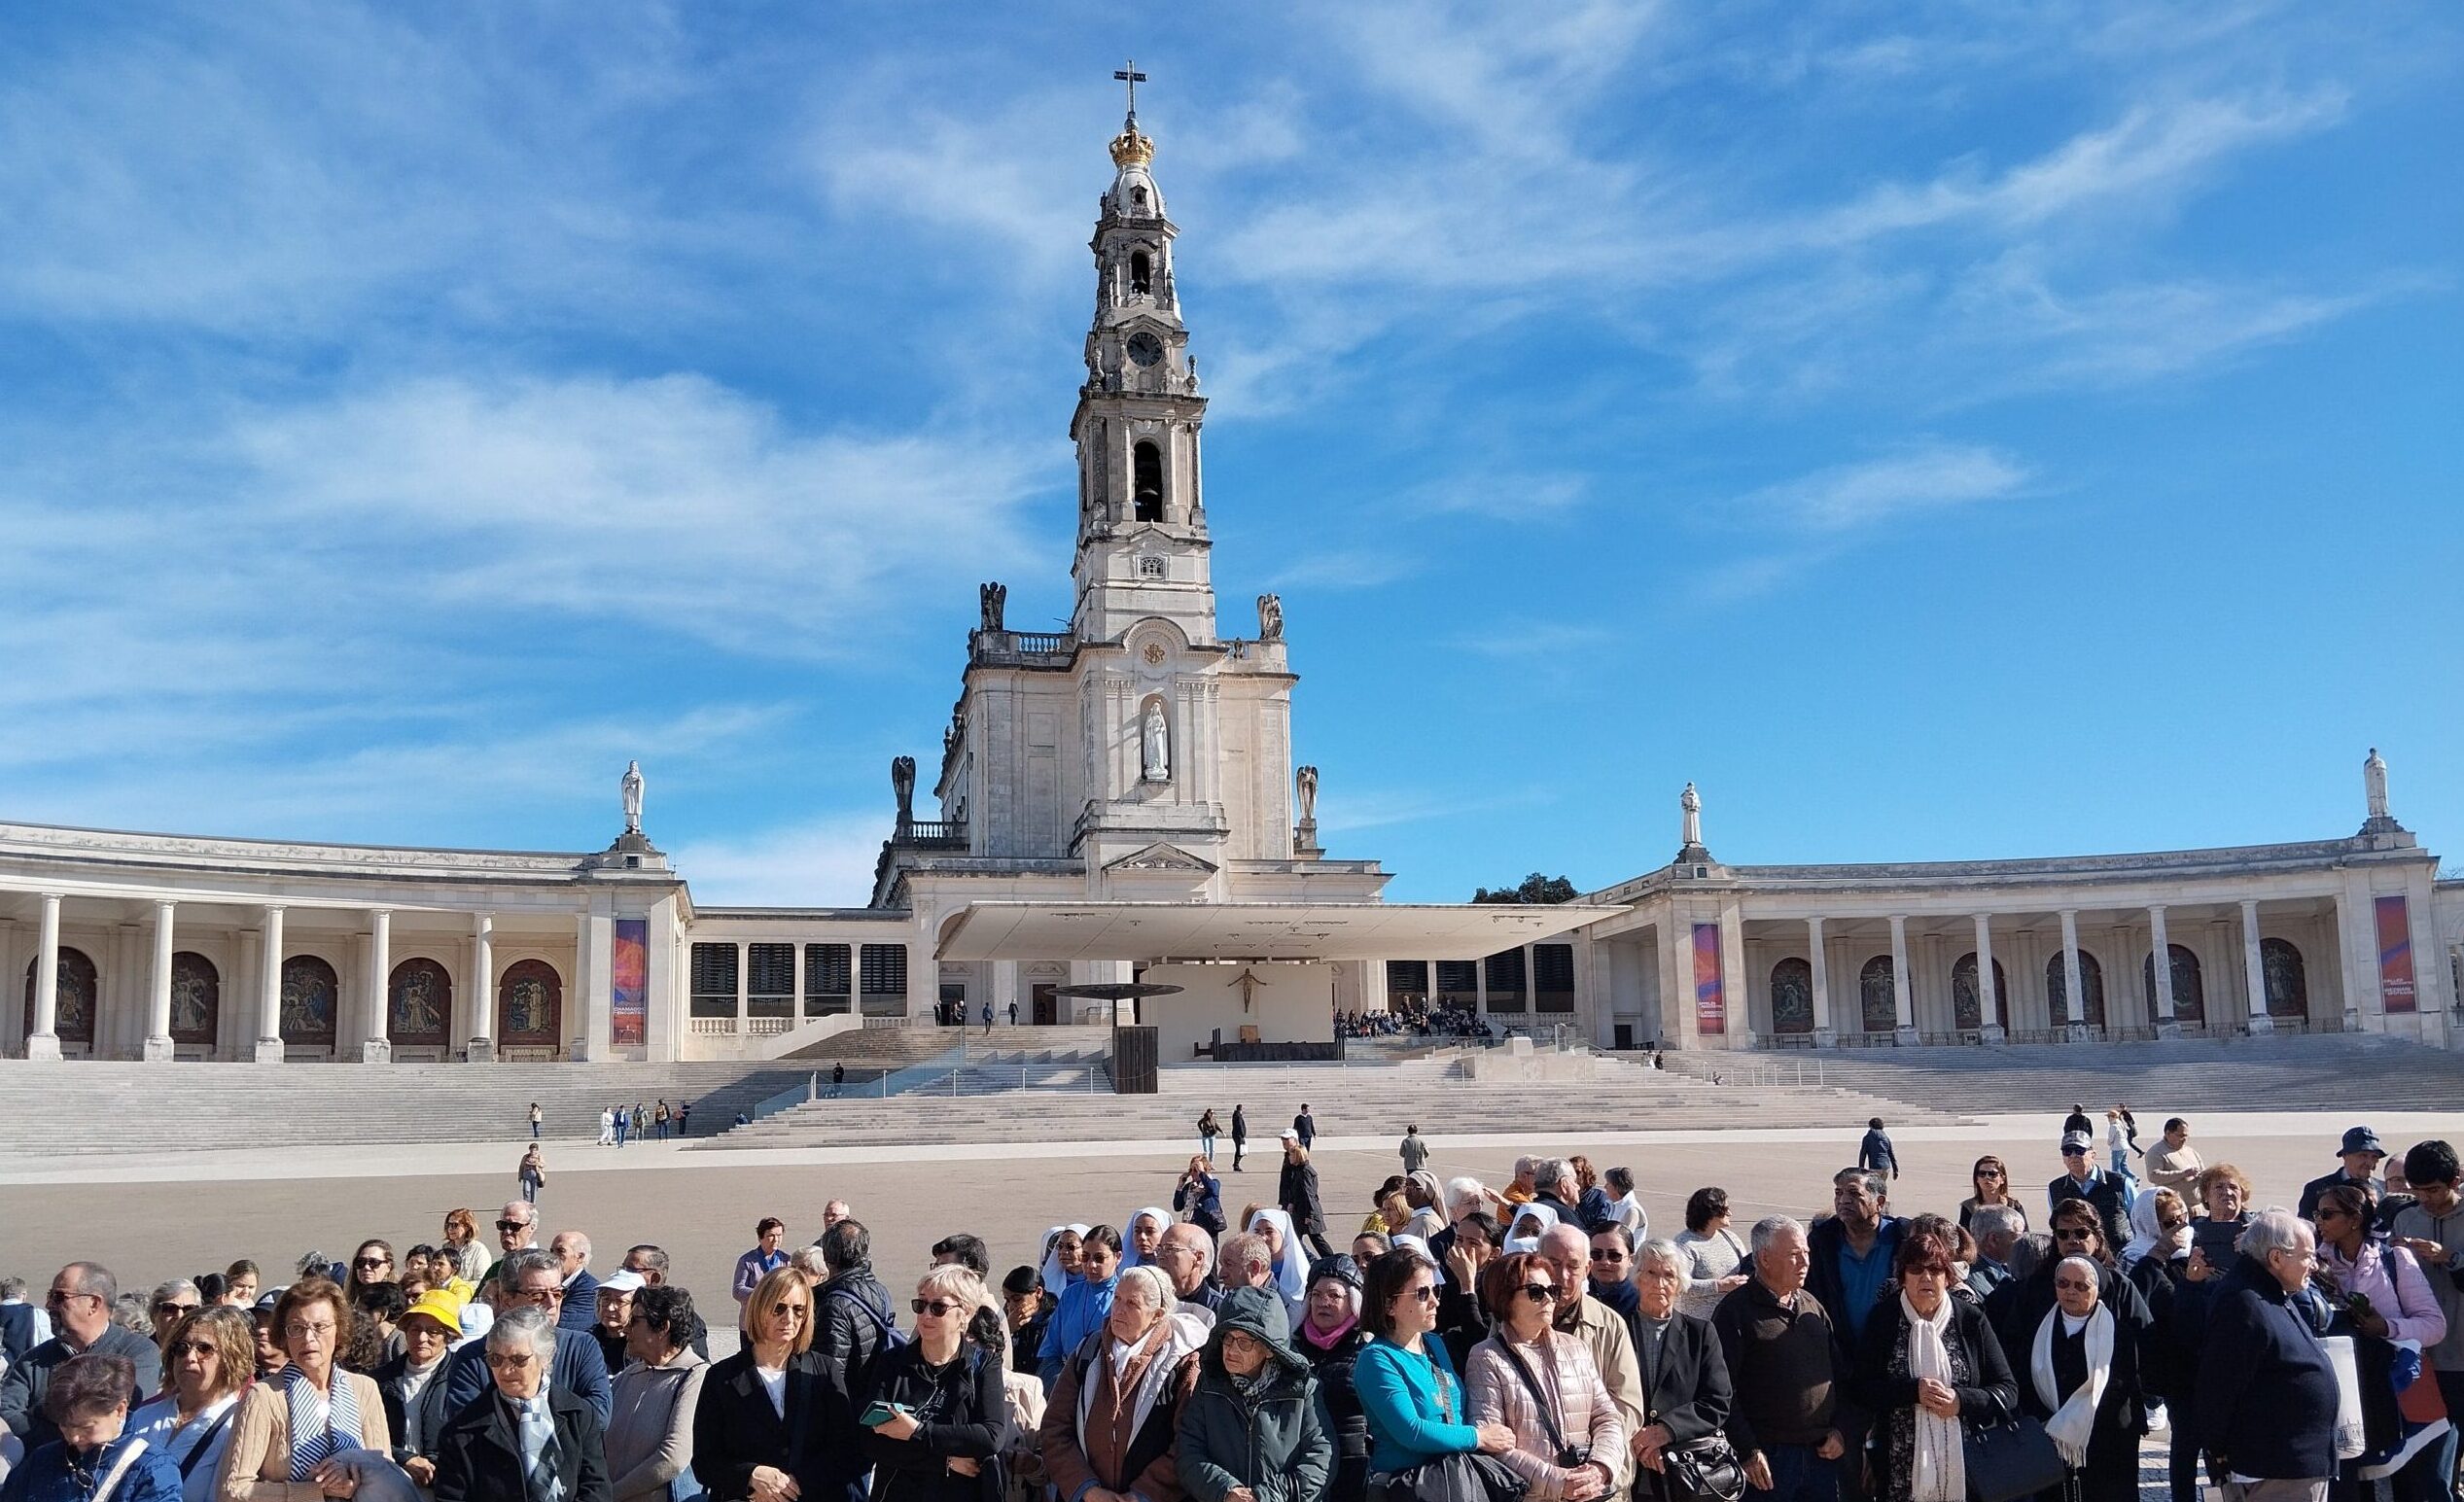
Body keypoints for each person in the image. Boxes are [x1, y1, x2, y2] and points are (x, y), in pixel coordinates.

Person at [1849, 1228, 2013, 1502]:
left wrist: (1960, 1400)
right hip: (1899, 1469)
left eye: (1935, 1269)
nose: (1926, 1277)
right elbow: (1861, 1388)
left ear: (1947, 1277)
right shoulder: (1884, 1320)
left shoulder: (1970, 1320)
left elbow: (2007, 1389)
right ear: (1902, 1277)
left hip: (1966, 1464)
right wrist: (1913, 1393)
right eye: (1915, 1269)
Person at [2314, 1181, 2450, 1502]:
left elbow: (2434, 1326)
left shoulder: (2394, 1260)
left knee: (2411, 1486)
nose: (2318, 1221)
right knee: (2353, 1486)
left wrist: (2385, 1327)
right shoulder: (2316, 1264)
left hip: (2396, 1392)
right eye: (2316, 1214)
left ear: (2354, 1219)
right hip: (2346, 1396)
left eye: (2327, 1214)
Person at [2198, 1210, 2339, 1502]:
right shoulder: (2244, 1302)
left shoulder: (2271, 1292)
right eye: (2307, 1256)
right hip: (2275, 1466)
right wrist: (2218, 1450)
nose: (2313, 1265)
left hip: (2291, 1464)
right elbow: (2221, 1385)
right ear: (2276, 1258)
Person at [1466, 1249, 1626, 1500]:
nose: (1549, 1300)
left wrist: (1601, 1467)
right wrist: (1557, 1481)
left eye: (1552, 1291)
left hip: (1587, 1494)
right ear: (1505, 1299)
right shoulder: (1485, 1356)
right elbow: (1492, 1442)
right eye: (1536, 1292)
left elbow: (1608, 1418)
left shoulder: (1576, 1348)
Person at [1037, 1265, 1205, 1502]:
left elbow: (1188, 1443)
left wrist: (1142, 1495)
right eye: (1117, 1298)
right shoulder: (1088, 1352)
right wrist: (1086, 1489)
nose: (1118, 1310)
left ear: (1157, 1315)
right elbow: (1055, 1427)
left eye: (1131, 1304)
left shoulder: (1182, 1363)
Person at [217, 1278, 391, 1502]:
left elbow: (385, 1471)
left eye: (320, 1327)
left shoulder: (365, 1389)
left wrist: (350, 1474)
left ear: (339, 1331)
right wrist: (315, 1491)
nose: (308, 1338)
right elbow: (232, 1490)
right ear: (284, 1336)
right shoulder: (264, 1396)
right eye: (297, 1328)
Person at [1711, 1217, 1848, 1502]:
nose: (1804, 1262)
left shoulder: (1812, 1306)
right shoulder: (1735, 1312)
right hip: (1768, 1461)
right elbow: (1722, 1391)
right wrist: (1747, 1450)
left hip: (1820, 1454)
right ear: (1764, 1258)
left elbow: (1839, 1377)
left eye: (1807, 1254)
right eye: (1794, 1255)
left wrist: (1840, 1430)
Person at [1352, 1250, 1517, 1480]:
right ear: (1389, 1304)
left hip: (1453, 1478)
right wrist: (1478, 1437)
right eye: (1422, 1293)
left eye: (1435, 1290)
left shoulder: (1435, 1344)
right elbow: (1412, 1431)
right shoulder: (1377, 1359)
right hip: (1407, 1487)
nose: (1435, 1301)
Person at [431, 1306, 613, 1502]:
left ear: (546, 1357)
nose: (505, 1370)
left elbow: (596, 1488)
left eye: (518, 1360)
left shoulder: (579, 1415)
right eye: (495, 1359)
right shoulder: (460, 1432)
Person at [860, 1267, 1006, 1502]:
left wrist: (916, 1431)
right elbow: (872, 1440)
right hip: (899, 1493)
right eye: (921, 1305)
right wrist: (944, 1461)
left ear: (965, 1314)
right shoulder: (893, 1362)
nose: (926, 1315)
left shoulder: (984, 1364)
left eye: (938, 1307)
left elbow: (990, 1436)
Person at [1178, 1282, 1332, 1502]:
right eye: (1228, 1339)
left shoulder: (1302, 1390)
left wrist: (1266, 1496)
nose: (1231, 1350)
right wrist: (1226, 1490)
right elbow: (1188, 1452)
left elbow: (1321, 1457)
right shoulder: (1209, 1385)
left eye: (1244, 1343)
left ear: (1269, 1349)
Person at [2016, 1251, 2145, 1502]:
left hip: (2106, 1438)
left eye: (2081, 1286)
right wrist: (2049, 1424)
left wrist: (2072, 1423)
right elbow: (2025, 1377)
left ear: (2097, 1289)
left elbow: (2118, 1385)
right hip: (2049, 1433)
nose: (2070, 1291)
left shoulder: (2119, 1333)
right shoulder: (2039, 1328)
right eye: (2063, 1283)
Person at [1, 1263, 164, 1455]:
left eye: (58, 1297)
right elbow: (5, 1412)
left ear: (94, 1304)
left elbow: (124, 1415)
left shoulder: (139, 1352)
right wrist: (63, 1440)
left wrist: (38, 1414)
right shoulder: (32, 1360)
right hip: (43, 1473)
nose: (48, 1305)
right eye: (49, 1296)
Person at [693, 1266, 822, 1502]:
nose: (789, 1319)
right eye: (779, 1308)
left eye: (799, 1310)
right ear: (760, 1307)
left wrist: (787, 1486)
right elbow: (704, 1461)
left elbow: (844, 1451)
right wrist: (751, 1477)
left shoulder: (823, 1373)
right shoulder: (722, 1377)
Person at [440, 1250, 613, 1423]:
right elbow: (467, 1425)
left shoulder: (582, 1347)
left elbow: (599, 1415)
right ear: (507, 1300)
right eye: (538, 1295)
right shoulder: (472, 1358)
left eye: (558, 1293)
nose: (552, 1303)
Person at [1625, 1240, 1733, 1502]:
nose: (1659, 1284)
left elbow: (1718, 1401)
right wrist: (1640, 1440)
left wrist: (1666, 1430)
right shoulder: (1618, 1328)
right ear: (1638, 1277)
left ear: (1680, 1284)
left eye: (1669, 1275)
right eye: (1651, 1273)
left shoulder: (1701, 1333)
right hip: (1629, 1465)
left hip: (1685, 1471)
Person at [3, 1352, 184, 1502]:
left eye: (86, 1427)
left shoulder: (152, 1468)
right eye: (65, 1425)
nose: (73, 1437)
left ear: (120, 1409)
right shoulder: (42, 1459)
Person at [126, 1308, 253, 1502]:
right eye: (182, 1348)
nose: (190, 1357)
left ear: (230, 1359)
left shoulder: (237, 1428)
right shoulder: (142, 1417)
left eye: (204, 1348)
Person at [812, 1218, 898, 1502]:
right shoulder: (881, 1291)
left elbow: (828, 1371)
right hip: (873, 1408)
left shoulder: (834, 1304)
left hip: (844, 1420)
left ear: (828, 1257)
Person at [2389, 1141, 2464, 1447]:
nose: (2424, 1199)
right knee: (2432, 1460)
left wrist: (2451, 1258)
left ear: (2455, 1181)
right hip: (2423, 1360)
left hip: (2461, 1356)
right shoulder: (2404, 1219)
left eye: (2432, 1190)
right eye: (2416, 1190)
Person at [1295, 1257, 1372, 1502]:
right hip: (1299, 1469)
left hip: (1354, 1469)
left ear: (1354, 1302)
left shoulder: (1368, 1351)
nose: (1323, 1303)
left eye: (1334, 1296)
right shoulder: (1291, 1349)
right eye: (1316, 1295)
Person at [373, 1288, 461, 1493]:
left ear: (448, 1336)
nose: (421, 1338)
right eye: (415, 1329)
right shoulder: (379, 1380)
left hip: (445, 1487)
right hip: (390, 1485)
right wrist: (406, 1459)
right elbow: (367, 1435)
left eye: (433, 1331)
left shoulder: (461, 1377)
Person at [1808, 1170, 1902, 1346]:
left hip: (1891, 1353)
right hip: (1838, 1353)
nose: (1843, 1200)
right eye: (1838, 1193)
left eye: (1854, 1193)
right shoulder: (1822, 1243)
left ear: (1879, 1202)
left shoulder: (1902, 1240)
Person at [1037, 1225, 1121, 1385]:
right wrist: (1060, 1381)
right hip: (1064, 1381)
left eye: (1099, 1258)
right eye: (1085, 1257)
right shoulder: (1070, 1295)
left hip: (1107, 1383)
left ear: (1118, 1257)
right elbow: (1050, 1350)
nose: (1091, 1265)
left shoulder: (1124, 1297)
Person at [2047, 1134, 2130, 1255]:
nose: (2073, 1156)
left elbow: (2139, 1220)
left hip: (2118, 1256)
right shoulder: (2055, 1188)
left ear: (2093, 1154)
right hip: (2078, 1257)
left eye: (2080, 1151)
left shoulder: (2120, 1183)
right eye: (2067, 1151)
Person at [1672, 1189, 1749, 1321]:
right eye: (1725, 1209)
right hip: (1702, 1324)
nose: (1730, 1213)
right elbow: (1679, 1285)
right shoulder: (1684, 1244)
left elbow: (1747, 1266)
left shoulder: (1730, 1238)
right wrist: (1719, 1285)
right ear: (1710, 1213)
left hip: (1734, 1320)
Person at [2297, 1126, 2388, 1221]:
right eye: (2363, 1156)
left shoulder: (2384, 1189)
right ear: (2345, 1156)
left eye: (2374, 1157)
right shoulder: (2316, 1189)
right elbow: (2306, 1228)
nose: (2369, 1162)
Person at [1280, 1135, 1337, 1263]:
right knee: (1296, 1238)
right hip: (1300, 1210)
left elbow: (1308, 1195)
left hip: (1307, 1212)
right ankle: (1306, 1260)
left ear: (1297, 1157)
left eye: (1291, 1156)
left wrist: (1309, 1215)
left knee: (1316, 1239)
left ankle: (1330, 1261)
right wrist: (1291, 1203)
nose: (1289, 1158)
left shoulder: (1305, 1172)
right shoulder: (1298, 1171)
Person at [1153, 1225, 1225, 1320]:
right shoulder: (1151, 1302)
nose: (1160, 1256)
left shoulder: (1220, 1310)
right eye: (1159, 1249)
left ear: (1198, 1258)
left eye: (1170, 1249)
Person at [588, 1272, 644, 1377]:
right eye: (606, 1299)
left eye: (620, 1301)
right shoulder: (587, 1340)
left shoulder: (643, 1345)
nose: (610, 1307)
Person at [1955, 1157, 2024, 1236]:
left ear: (2002, 1179)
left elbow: (2024, 1237)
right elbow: (1965, 1238)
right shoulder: (1969, 1207)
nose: (1987, 1177)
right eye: (1982, 1174)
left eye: (1992, 1174)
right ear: (1977, 1179)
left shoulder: (2014, 1206)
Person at [731, 1221, 788, 1307]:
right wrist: (762, 1294)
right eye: (771, 1236)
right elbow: (737, 1290)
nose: (776, 1239)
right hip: (753, 1313)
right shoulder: (747, 1261)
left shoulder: (786, 1260)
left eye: (779, 1235)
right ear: (760, 1238)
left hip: (778, 1314)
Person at [2145, 1119, 2202, 1198]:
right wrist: (2183, 1174)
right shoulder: (2156, 1152)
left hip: (2196, 1205)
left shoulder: (2191, 1151)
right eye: (2181, 1136)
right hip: (2174, 1206)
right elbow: (2153, 1176)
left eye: (2186, 1136)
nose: (2184, 1139)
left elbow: (2203, 1173)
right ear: (2168, 1133)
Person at [1602, 1170, 1647, 1243]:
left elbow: (1622, 1239)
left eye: (1608, 1183)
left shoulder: (1632, 1210)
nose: (1605, 1186)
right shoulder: (1615, 1205)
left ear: (1617, 1187)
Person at [1230, 1104, 1248, 1173]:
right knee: (1240, 1150)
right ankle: (1236, 1165)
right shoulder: (1238, 1116)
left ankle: (1236, 1164)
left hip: (1237, 1135)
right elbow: (1240, 1125)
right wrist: (1243, 1134)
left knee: (1240, 1150)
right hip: (1238, 1135)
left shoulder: (1236, 1115)